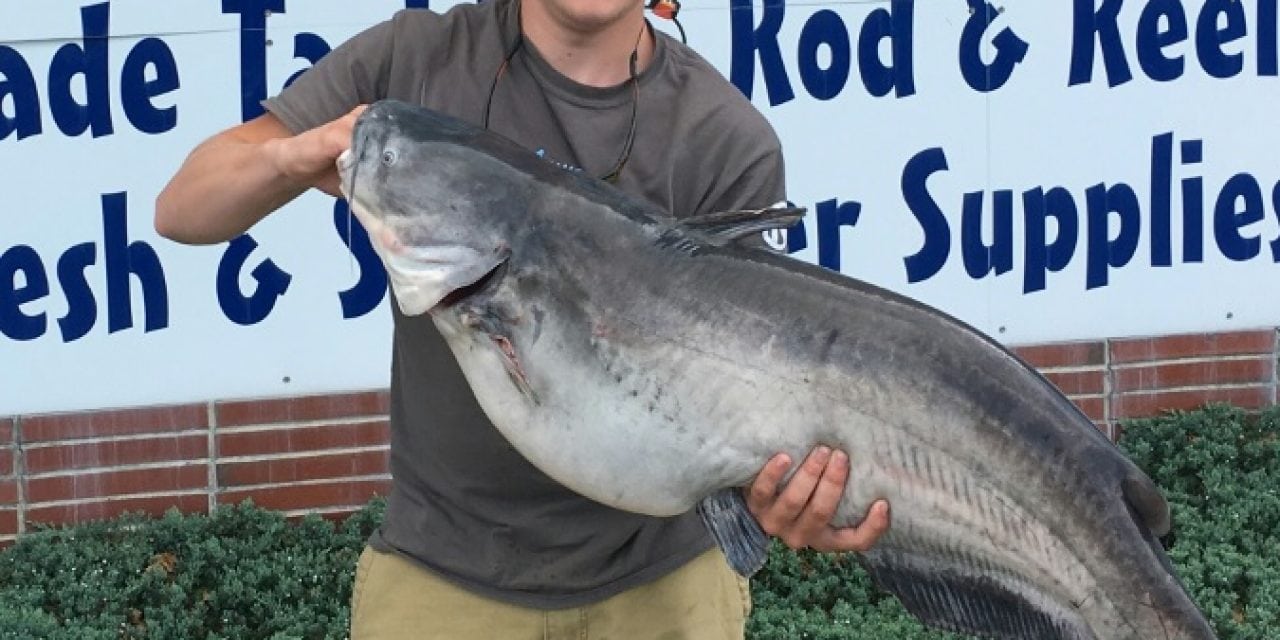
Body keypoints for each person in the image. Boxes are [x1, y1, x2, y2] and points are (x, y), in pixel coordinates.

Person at [155, 1, 891, 638]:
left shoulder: (723, 136)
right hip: (439, 584)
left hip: (667, 594)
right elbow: (182, 209)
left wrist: (785, 494)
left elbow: (753, 391)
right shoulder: (415, 61)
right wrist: (292, 157)